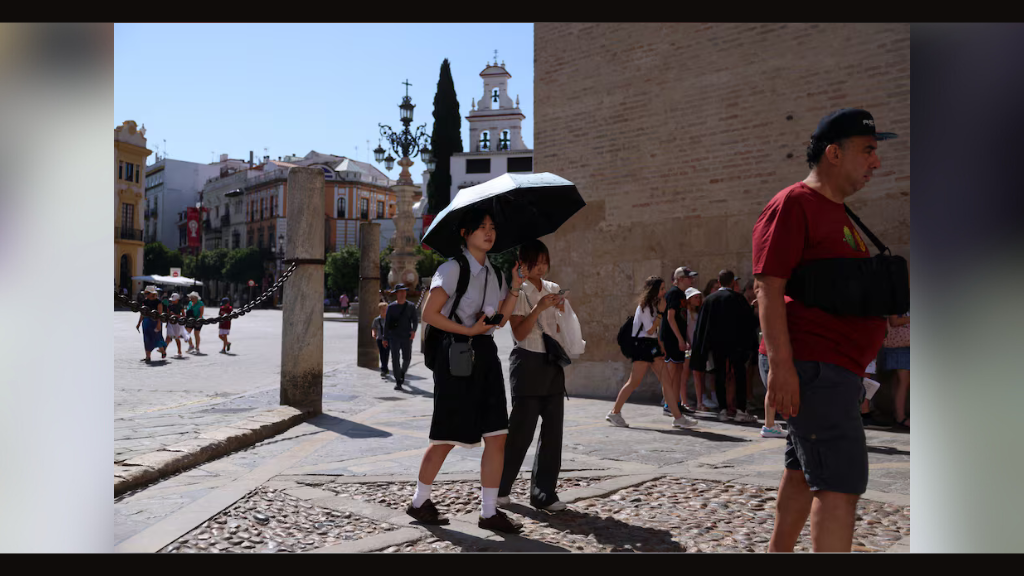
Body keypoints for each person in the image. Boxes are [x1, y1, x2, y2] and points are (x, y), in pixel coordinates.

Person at [753, 108, 896, 552]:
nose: (876, 162)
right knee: (839, 485)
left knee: (802, 471)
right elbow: (767, 285)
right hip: (814, 366)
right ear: (834, 153)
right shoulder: (795, 203)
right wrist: (781, 367)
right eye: (868, 150)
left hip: (831, 367)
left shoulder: (840, 213)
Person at [407, 206, 524, 534]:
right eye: (481, 227)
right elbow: (430, 314)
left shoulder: (496, 273)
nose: (489, 232)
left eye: (492, 227)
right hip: (456, 354)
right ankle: (419, 501)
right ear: (464, 233)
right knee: (446, 436)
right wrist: (469, 331)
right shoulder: (452, 268)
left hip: (485, 354)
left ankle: (489, 512)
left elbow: (499, 318)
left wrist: (514, 286)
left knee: (497, 434)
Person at [498, 239, 570, 512]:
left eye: (544, 262)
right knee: (521, 432)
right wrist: (538, 308)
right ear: (523, 264)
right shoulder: (519, 290)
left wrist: (562, 310)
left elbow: (558, 329)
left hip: (551, 363)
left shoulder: (552, 288)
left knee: (553, 432)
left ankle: (544, 493)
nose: (541, 268)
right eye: (535, 263)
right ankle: (501, 488)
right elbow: (518, 333)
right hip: (527, 362)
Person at [607, 276, 696, 429]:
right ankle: (614, 412)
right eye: (661, 288)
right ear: (654, 290)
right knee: (634, 381)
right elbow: (649, 329)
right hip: (642, 346)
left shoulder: (654, 305)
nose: (664, 291)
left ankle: (678, 418)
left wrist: (660, 346)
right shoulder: (645, 306)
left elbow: (654, 332)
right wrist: (661, 313)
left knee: (666, 381)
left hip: (651, 345)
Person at [691, 270, 759, 423]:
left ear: (719, 282)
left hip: (717, 345)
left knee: (719, 375)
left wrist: (703, 347)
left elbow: (703, 326)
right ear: (732, 283)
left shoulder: (709, 300)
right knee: (739, 375)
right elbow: (750, 323)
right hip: (737, 345)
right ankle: (740, 410)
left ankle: (722, 410)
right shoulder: (738, 299)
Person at [660, 267, 699, 417]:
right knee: (671, 373)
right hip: (671, 339)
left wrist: (685, 339)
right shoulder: (673, 294)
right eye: (689, 278)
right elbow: (670, 318)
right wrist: (680, 339)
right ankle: (668, 404)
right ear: (680, 279)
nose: (692, 280)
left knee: (678, 373)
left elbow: (682, 320)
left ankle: (676, 403)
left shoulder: (681, 294)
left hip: (677, 339)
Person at [382, 284, 419, 391]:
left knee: (407, 358)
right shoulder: (391, 307)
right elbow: (387, 323)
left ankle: (402, 372)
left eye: (404, 292)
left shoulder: (411, 306)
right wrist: (384, 338)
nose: (403, 294)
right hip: (394, 336)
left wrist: (414, 330)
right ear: (397, 293)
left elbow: (415, 320)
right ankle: (398, 380)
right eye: (401, 292)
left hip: (407, 336)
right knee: (395, 358)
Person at [879, 310, 910, 429]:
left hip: (902, 344)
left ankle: (897, 414)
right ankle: (900, 417)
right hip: (900, 346)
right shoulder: (899, 300)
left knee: (899, 382)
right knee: (903, 382)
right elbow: (894, 321)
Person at [135, 285, 167, 363]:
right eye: (145, 293)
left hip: (155, 321)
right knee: (147, 339)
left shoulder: (158, 302)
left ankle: (163, 351)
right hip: (146, 322)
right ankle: (148, 357)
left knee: (157, 338)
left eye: (147, 293)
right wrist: (139, 323)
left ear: (151, 293)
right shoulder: (145, 302)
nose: (145, 295)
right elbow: (142, 313)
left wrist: (159, 324)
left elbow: (160, 314)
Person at [164, 293, 188, 357]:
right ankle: (164, 350)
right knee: (168, 336)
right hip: (170, 322)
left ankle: (179, 351)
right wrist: (167, 323)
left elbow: (183, 315)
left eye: (174, 300)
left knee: (176, 337)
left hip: (177, 323)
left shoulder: (180, 306)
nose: (173, 301)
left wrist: (175, 315)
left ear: (177, 299)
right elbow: (168, 314)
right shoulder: (169, 306)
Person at [371, 302, 390, 379]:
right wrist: (373, 333)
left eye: (385, 309)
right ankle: (384, 368)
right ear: (379, 310)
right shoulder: (376, 320)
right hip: (379, 339)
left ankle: (384, 368)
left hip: (388, 339)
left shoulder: (389, 319)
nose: (384, 311)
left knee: (387, 353)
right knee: (382, 354)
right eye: (382, 309)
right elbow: (373, 327)